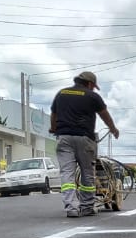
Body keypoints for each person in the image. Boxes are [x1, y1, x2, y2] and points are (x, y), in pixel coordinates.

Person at [49, 70, 119, 218]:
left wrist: (54, 128)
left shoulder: (61, 93)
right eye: (93, 86)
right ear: (89, 83)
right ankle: (87, 206)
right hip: (84, 138)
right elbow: (104, 115)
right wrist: (113, 129)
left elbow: (54, 114)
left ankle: (71, 208)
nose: (93, 88)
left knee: (67, 173)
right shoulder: (92, 96)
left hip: (64, 137)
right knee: (87, 172)